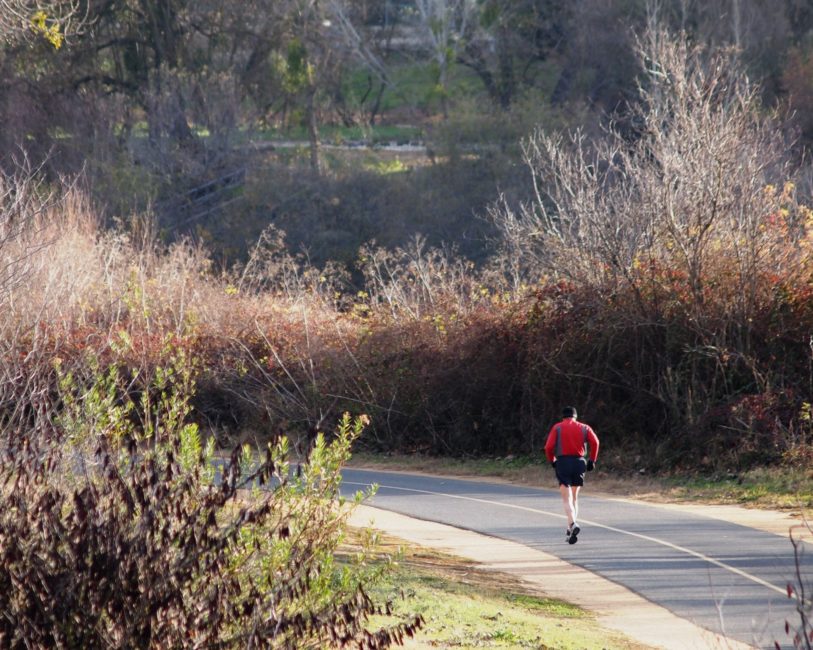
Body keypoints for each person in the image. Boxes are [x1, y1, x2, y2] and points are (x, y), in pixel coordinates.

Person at [544, 406, 600, 544]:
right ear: (575, 416)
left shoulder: (557, 427)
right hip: (579, 463)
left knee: (566, 498)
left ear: (563, 416)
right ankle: (570, 530)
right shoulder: (584, 427)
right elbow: (596, 442)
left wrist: (552, 461)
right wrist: (592, 460)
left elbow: (548, 447)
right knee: (574, 497)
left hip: (563, 462)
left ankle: (573, 523)